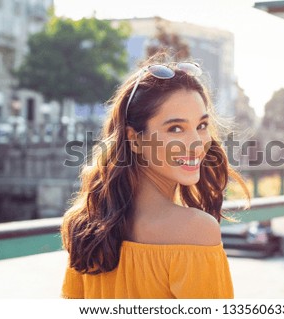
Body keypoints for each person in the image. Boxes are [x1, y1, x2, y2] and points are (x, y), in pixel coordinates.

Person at [60, 56, 249, 299]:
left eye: (201, 125)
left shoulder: (85, 225)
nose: (197, 143)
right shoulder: (196, 231)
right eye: (176, 128)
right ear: (136, 139)